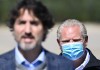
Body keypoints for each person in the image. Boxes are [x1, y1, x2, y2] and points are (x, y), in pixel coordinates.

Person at [0, 0, 74, 70]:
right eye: (22, 23)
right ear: (13, 27)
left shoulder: (64, 66)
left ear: (44, 29)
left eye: (34, 23)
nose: (27, 30)